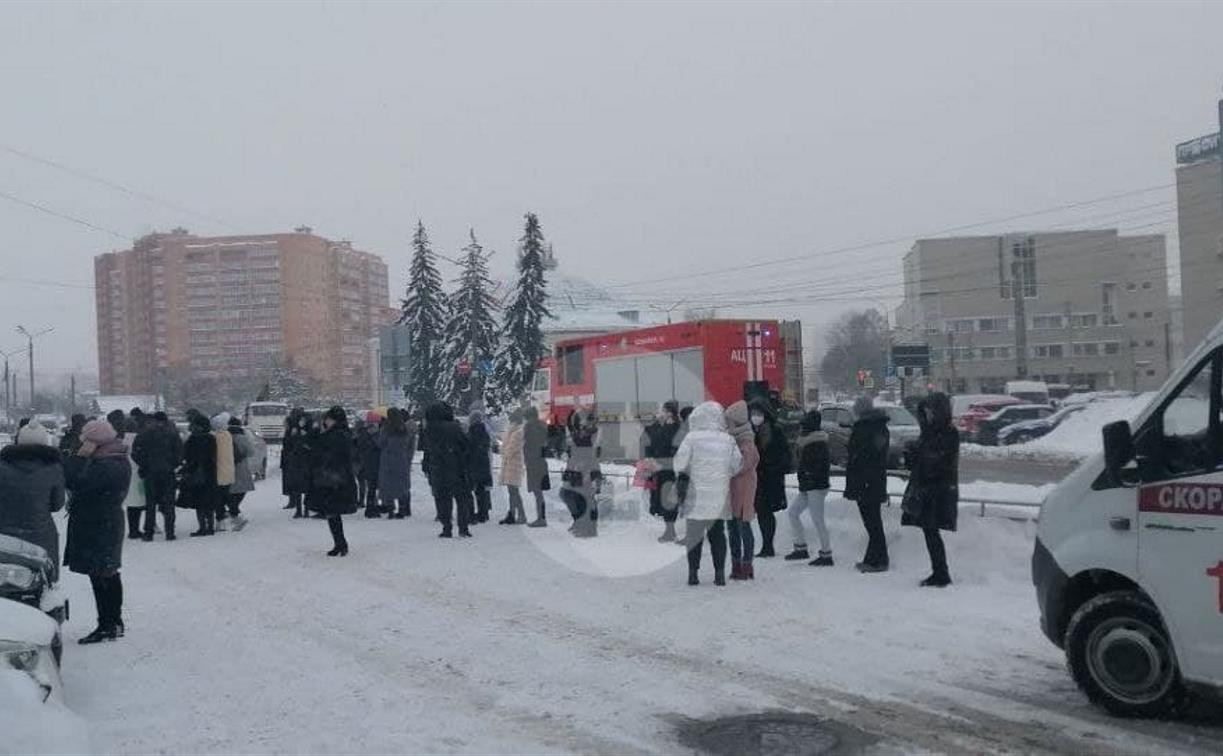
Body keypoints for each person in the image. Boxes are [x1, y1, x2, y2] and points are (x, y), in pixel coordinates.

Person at [63, 419, 131, 644]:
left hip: (98, 523)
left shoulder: (106, 464)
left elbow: (73, 481)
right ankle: (113, 622)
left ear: (95, 442)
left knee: (102, 574)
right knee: (106, 573)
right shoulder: (115, 459)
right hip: (105, 521)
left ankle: (107, 624)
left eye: (86, 441)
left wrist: (80, 457)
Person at [673, 401, 741, 586]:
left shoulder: (691, 438)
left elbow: (680, 464)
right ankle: (719, 574)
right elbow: (736, 465)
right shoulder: (728, 439)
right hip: (718, 497)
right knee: (717, 535)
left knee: (694, 537)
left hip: (695, 498)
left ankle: (693, 574)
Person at [901, 393, 959, 587]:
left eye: (930, 412)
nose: (928, 415)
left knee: (932, 532)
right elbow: (921, 462)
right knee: (929, 532)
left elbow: (938, 461)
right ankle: (939, 571)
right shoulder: (929, 432)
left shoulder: (948, 433)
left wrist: (920, 453)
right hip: (927, 489)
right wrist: (911, 453)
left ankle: (941, 573)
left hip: (937, 490)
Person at [0, 422, 65, 582]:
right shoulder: (53, 467)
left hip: (6, 534)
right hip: (41, 534)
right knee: (43, 583)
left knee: (7, 583)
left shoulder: (2, 466)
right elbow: (57, 504)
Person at [844, 395, 891, 573]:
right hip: (871, 481)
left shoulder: (868, 428)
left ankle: (880, 560)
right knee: (872, 523)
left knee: (873, 524)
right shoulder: (877, 427)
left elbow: (865, 455)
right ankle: (872, 558)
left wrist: (858, 471)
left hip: (867, 482)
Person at [787, 410, 834, 566]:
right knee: (793, 513)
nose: (800, 429)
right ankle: (801, 547)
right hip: (809, 486)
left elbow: (818, 468)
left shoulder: (817, 443)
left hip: (815, 486)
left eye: (803, 425)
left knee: (818, 519)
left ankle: (826, 554)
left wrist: (808, 478)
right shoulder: (808, 441)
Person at [313, 406, 358, 556]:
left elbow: (317, 449)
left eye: (327, 419)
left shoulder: (333, 435)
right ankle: (340, 543)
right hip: (341, 477)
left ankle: (340, 544)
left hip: (332, 478)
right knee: (333, 513)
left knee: (332, 512)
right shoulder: (346, 433)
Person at [422, 402, 471, 538]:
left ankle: (446, 527)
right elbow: (465, 445)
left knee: (443, 499)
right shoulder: (455, 427)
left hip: (438, 468)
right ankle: (463, 528)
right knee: (461, 499)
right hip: (456, 467)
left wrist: (427, 465)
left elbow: (427, 450)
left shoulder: (429, 429)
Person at [131, 411, 182, 541]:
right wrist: (173, 465)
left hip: (150, 472)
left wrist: (144, 465)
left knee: (150, 503)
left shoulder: (144, 434)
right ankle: (170, 532)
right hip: (168, 472)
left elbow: (135, 453)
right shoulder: (173, 434)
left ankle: (149, 533)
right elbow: (180, 454)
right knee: (169, 502)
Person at [723, 400, 759, 581]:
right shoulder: (734, 440)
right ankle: (736, 563)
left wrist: (726, 466)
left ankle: (746, 564)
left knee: (743, 527)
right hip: (733, 490)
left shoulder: (746, 441)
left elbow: (743, 465)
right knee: (733, 529)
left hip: (744, 490)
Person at [751, 399, 791, 558]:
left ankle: (768, 546)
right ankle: (767, 546)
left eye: (758, 413)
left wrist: (773, 466)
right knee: (762, 511)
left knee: (766, 511)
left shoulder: (775, 430)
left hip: (771, 477)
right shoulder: (753, 431)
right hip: (760, 478)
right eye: (753, 413)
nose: (755, 416)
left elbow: (784, 454)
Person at [640, 401, 682, 543]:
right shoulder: (658, 426)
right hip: (657, 469)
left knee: (669, 500)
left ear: (670, 412)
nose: (661, 413)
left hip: (671, 470)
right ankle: (669, 530)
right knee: (660, 499)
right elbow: (646, 441)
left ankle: (671, 531)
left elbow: (677, 449)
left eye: (664, 411)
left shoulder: (678, 428)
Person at [561, 409, 600, 537]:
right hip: (575, 468)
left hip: (587, 468)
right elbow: (571, 426)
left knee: (587, 498)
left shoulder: (592, 433)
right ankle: (579, 522)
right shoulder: (580, 432)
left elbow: (591, 451)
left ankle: (589, 528)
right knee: (568, 494)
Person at [108, 410, 146, 541]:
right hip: (139, 474)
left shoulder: (120, 440)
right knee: (140, 502)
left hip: (125, 473)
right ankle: (136, 529)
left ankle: (132, 529)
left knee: (130, 503)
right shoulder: (140, 438)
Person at [180, 414, 218, 536]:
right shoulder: (211, 438)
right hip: (210, 472)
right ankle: (211, 527)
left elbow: (186, 455)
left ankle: (202, 527)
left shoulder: (193, 439)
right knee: (209, 501)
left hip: (196, 472)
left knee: (199, 502)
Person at [378, 408, 415, 519]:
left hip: (388, 460)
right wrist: (408, 457)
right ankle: (403, 509)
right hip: (402, 460)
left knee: (388, 485)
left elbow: (381, 443)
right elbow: (410, 445)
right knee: (401, 485)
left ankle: (390, 510)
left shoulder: (386, 429)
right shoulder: (405, 429)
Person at [522, 405, 550, 528]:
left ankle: (541, 519)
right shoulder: (543, 426)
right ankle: (542, 517)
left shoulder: (529, 427)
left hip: (533, 462)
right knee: (539, 493)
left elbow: (526, 444)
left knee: (537, 492)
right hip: (542, 462)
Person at [497, 410, 527, 525]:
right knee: (512, 491)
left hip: (513, 464)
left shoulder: (518, 432)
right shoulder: (513, 431)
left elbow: (509, 449)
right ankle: (512, 514)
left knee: (514, 491)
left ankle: (521, 515)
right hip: (510, 464)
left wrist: (504, 452)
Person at [281, 409, 312, 518]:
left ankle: (301, 510)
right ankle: (303, 510)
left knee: (299, 487)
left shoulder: (298, 431)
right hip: (302, 462)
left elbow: (288, 445)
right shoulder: (303, 429)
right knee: (303, 487)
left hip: (298, 462)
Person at [466, 407, 494, 524]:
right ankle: (484, 513)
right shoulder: (485, 432)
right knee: (483, 490)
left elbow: (468, 449)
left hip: (473, 465)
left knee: (470, 490)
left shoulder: (471, 432)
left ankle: (472, 514)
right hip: (484, 464)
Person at [226, 416, 254, 531]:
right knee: (240, 491)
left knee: (229, 493)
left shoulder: (226, 436)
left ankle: (234, 514)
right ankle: (235, 513)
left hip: (228, 467)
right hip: (242, 467)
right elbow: (251, 452)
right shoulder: (243, 437)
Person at [210, 413, 236, 531]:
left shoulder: (216, 437)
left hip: (219, 471)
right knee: (225, 495)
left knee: (218, 498)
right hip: (228, 470)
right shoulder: (227, 435)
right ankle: (232, 516)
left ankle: (223, 521)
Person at [355, 412, 382, 517]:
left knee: (372, 487)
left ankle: (372, 507)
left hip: (369, 465)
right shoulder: (368, 436)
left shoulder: (363, 435)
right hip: (371, 465)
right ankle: (371, 509)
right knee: (372, 488)